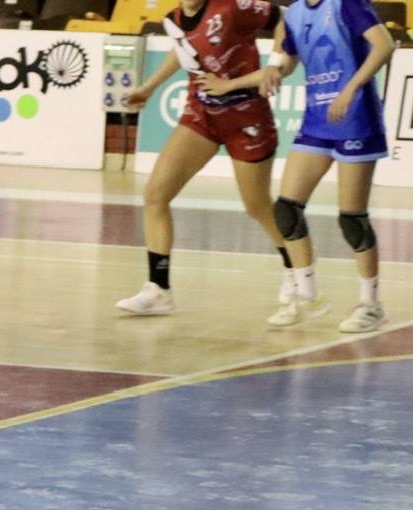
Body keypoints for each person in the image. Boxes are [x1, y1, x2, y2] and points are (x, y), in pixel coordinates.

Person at [115, 0, 295, 316]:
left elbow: (283, 17)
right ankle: (159, 290)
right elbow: (183, 52)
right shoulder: (172, 19)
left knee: (257, 206)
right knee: (156, 195)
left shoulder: (232, 7)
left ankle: (296, 270)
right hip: (201, 115)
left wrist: (274, 63)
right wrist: (150, 87)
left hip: (246, 116)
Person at [250, 0, 396, 329]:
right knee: (286, 210)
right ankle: (308, 297)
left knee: (352, 220)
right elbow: (289, 58)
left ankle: (371, 304)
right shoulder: (297, 12)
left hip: (355, 118)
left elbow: (384, 45)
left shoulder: (346, 4)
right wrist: (275, 69)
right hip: (317, 119)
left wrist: (351, 88)